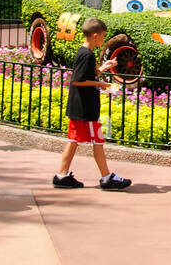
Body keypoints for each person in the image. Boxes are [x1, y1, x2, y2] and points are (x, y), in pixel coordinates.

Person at [52, 17, 131, 191]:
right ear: (95, 36)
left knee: (74, 140)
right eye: (103, 36)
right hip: (85, 107)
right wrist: (102, 84)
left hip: (79, 106)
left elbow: (87, 74)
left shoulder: (84, 52)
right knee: (97, 141)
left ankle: (62, 175)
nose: (103, 39)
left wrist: (103, 68)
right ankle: (106, 178)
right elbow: (79, 80)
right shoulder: (87, 55)